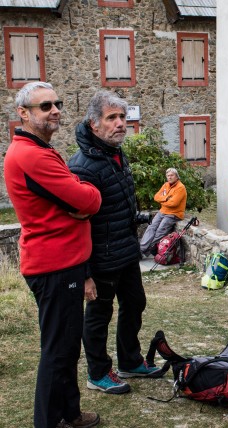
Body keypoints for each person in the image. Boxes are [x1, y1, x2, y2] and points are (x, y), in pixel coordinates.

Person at [4, 82, 102, 428]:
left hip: (62, 262)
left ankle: (70, 414)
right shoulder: (31, 155)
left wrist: (78, 197)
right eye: (45, 106)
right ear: (24, 114)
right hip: (55, 265)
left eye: (57, 103)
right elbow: (89, 200)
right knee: (58, 351)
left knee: (65, 346)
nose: (55, 110)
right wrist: (85, 195)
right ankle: (49, 421)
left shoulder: (38, 150)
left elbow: (76, 200)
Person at [68, 90, 163, 395]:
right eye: (112, 118)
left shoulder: (114, 153)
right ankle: (98, 373)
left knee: (135, 302)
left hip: (124, 252)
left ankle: (130, 361)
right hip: (99, 259)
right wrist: (84, 274)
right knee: (98, 316)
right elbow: (74, 225)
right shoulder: (83, 165)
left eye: (122, 117)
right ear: (94, 124)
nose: (121, 123)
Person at [139, 168, 187, 256]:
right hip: (163, 211)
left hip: (174, 213)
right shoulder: (166, 185)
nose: (169, 177)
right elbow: (156, 196)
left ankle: (147, 250)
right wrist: (165, 198)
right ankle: (142, 249)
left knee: (160, 231)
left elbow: (173, 203)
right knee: (151, 227)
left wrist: (162, 201)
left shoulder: (181, 187)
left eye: (172, 175)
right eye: (168, 176)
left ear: (176, 176)